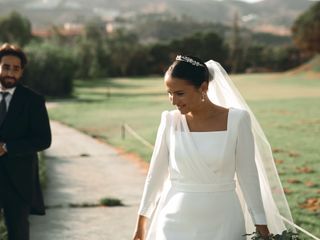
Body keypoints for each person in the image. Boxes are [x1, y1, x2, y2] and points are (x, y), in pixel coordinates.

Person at [133, 55, 293, 240]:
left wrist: (261, 224)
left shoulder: (237, 120)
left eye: (180, 93)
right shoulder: (170, 121)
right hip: (174, 221)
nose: (173, 100)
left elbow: (248, 175)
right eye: (169, 93)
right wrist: (141, 224)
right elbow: (156, 175)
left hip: (224, 220)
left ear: (203, 87)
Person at [0, 43, 51, 240]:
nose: (10, 73)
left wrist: (7, 147)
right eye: (6, 67)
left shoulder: (33, 100)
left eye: (16, 68)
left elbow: (43, 140)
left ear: (21, 72)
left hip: (19, 182)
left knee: (18, 234)